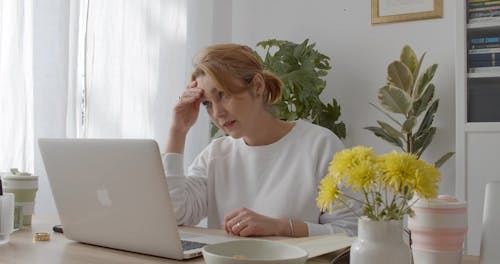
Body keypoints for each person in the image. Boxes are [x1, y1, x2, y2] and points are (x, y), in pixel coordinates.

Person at [163, 43, 360, 237]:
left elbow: (350, 232)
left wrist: (280, 227)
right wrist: (178, 130)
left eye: (223, 95)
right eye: (207, 103)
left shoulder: (320, 145)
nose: (217, 113)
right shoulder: (216, 154)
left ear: (257, 86)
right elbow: (174, 215)